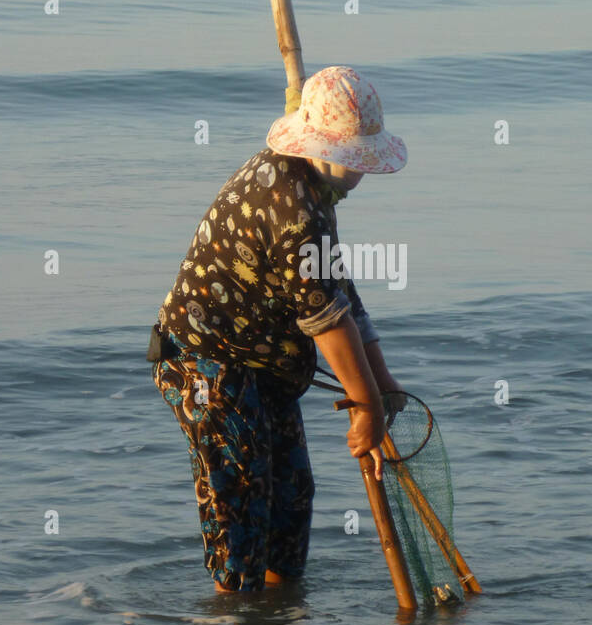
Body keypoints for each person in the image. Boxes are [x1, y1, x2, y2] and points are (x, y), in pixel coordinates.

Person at [149, 66, 407, 594]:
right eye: (353, 159)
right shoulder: (292, 207)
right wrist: (368, 408)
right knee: (243, 501)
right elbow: (325, 321)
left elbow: (340, 296)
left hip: (265, 363)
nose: (359, 172)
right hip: (208, 362)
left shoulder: (316, 190)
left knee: (291, 497)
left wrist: (381, 384)